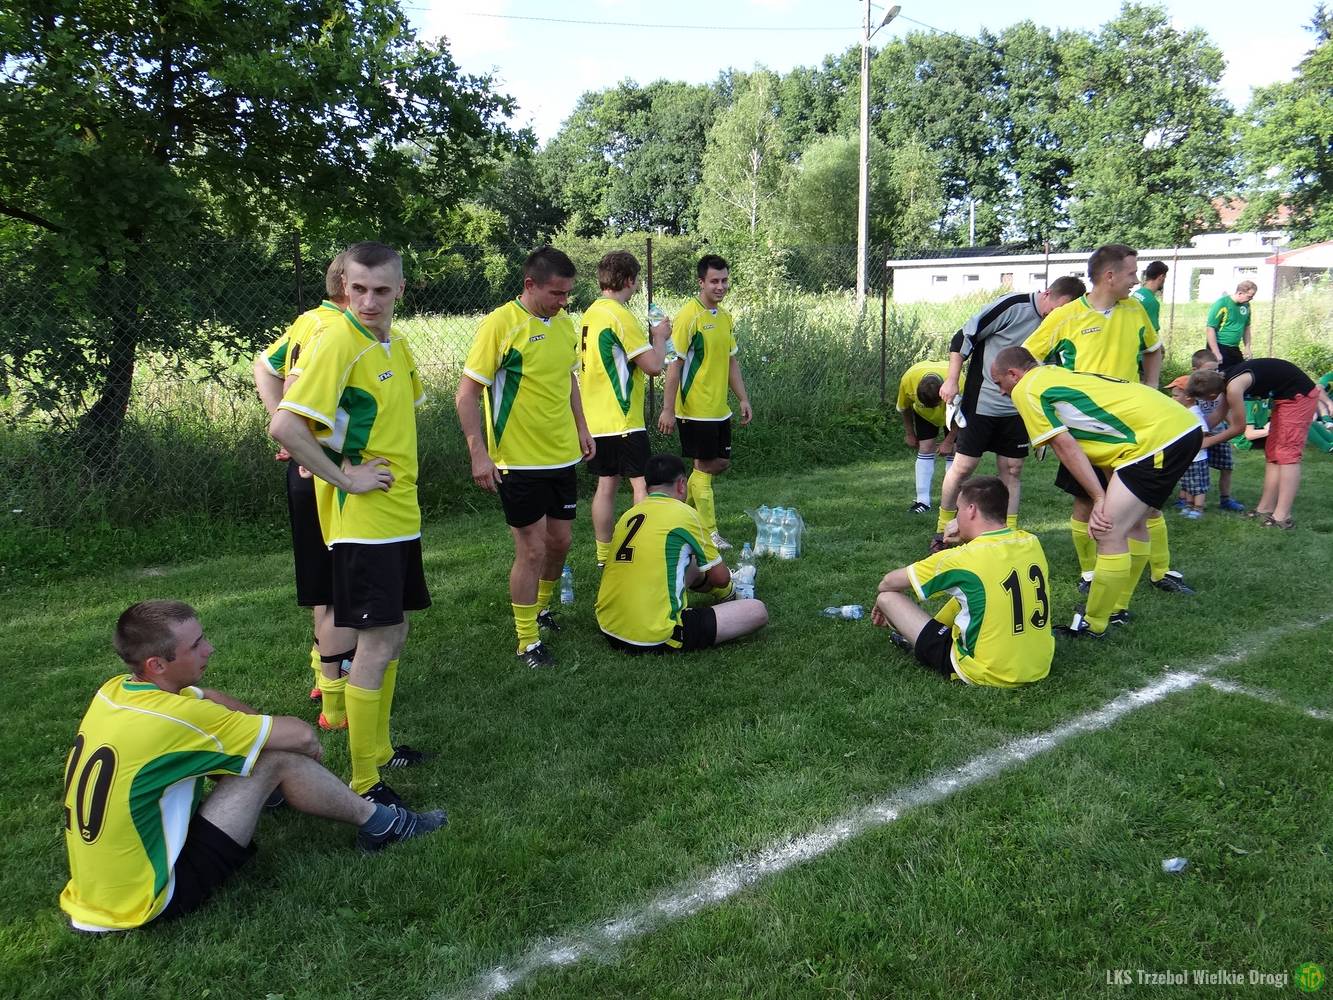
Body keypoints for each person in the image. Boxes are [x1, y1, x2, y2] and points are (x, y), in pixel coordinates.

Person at [59, 601, 446, 932]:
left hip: (96, 896)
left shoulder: (114, 691)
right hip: (149, 901)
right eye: (196, 645)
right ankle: (386, 825)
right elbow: (302, 737)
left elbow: (206, 697)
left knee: (236, 746)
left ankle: (273, 795)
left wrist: (251, 733)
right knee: (277, 758)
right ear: (157, 664)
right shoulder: (179, 719)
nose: (209, 649)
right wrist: (282, 747)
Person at [270, 241, 433, 807]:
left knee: (395, 632)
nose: (368, 301)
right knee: (377, 640)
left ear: (400, 290)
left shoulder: (394, 343)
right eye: (358, 289)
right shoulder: (338, 339)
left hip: (399, 514)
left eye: (381, 290)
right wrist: (346, 478)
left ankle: (380, 749)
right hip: (363, 522)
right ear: (344, 287)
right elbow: (286, 427)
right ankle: (366, 780)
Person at [993, 347, 1202, 638]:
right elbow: (1104, 438)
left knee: (1109, 530)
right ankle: (1117, 609)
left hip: (1156, 439)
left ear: (1013, 374)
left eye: (999, 383)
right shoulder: (1052, 375)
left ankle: (1094, 623)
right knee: (1134, 524)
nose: (1002, 392)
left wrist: (1099, 498)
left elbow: (1065, 446)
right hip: (1175, 428)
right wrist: (1105, 490)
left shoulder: (1025, 389)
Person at [1022, 244, 1192, 598]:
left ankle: (1160, 571)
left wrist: (1150, 387)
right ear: (1110, 276)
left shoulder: (1136, 309)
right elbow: (1025, 362)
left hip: (1135, 427)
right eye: (1131, 273)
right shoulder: (1066, 316)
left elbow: (1154, 350)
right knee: (1087, 502)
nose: (1137, 280)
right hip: (1089, 432)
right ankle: (1089, 573)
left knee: (1147, 505)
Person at [456, 246, 595, 668]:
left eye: (568, 293)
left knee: (561, 543)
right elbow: (466, 394)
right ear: (530, 285)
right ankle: (527, 641)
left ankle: (543, 608)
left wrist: (582, 427)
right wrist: (478, 453)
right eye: (556, 293)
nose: (563, 301)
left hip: (562, 456)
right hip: (518, 461)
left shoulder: (564, 323)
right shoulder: (501, 324)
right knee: (532, 551)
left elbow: (568, 378)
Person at [252, 253, 358, 725]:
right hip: (324, 473)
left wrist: (283, 424)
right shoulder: (333, 330)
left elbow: (264, 366)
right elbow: (291, 381)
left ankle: (323, 673)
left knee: (323, 582)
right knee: (340, 586)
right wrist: (294, 435)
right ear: (349, 285)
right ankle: (336, 696)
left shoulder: (308, 320)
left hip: (308, 468)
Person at [933, 276, 1086, 546]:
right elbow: (963, 337)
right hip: (982, 402)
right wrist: (952, 379)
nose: (1057, 315)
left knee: (1013, 469)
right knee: (964, 466)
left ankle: (1007, 535)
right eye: (1057, 308)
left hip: (1019, 406)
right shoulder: (1013, 306)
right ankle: (944, 530)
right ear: (1047, 294)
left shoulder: (1061, 323)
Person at [873, 476, 1052, 687]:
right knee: (976, 591)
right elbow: (987, 561)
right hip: (1039, 665)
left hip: (987, 671)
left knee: (887, 598)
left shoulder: (963, 558)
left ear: (971, 510)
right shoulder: (1031, 541)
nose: (955, 518)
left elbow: (888, 582)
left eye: (958, 510)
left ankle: (914, 639)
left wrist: (881, 606)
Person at [595, 453, 768, 652]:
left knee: (688, 561)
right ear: (682, 484)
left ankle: (728, 593)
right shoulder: (685, 513)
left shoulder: (629, 515)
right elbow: (720, 578)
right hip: (655, 636)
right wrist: (724, 581)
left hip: (609, 626)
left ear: (647, 487)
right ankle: (732, 592)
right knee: (757, 610)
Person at [579, 250, 673, 567]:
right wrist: (659, 336)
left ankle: (604, 557)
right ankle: (639, 551)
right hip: (623, 420)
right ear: (630, 280)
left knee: (606, 485)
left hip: (595, 419)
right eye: (637, 281)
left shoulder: (591, 313)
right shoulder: (620, 315)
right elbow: (654, 366)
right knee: (641, 485)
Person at [657, 254, 754, 551]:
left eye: (724, 280)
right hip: (695, 409)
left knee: (719, 463)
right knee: (703, 467)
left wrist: (742, 398)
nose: (720, 286)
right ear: (701, 282)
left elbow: (731, 361)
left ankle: (674, 515)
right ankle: (709, 533)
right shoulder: (689, 317)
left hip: (718, 409)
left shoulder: (724, 317)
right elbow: (674, 365)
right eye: (714, 281)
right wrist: (668, 409)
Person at [1187, 359, 1333, 529]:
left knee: (1287, 455)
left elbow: (1239, 428)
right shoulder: (1221, 380)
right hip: (1284, 398)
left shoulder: (1233, 387)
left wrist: (1205, 443)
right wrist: (1193, 436)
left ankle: (1282, 517)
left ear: (1212, 395)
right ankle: (1265, 508)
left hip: (1299, 397)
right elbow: (1217, 415)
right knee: (1273, 453)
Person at [1184, 348, 1245, 511]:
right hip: (1199, 436)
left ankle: (1225, 499)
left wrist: (1233, 427)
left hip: (1218, 432)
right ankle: (1186, 499)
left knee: (1227, 466)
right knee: (1191, 467)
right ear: (1195, 370)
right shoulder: (1192, 389)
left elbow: (1223, 410)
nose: (1215, 374)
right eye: (1210, 370)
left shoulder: (1219, 388)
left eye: (1216, 370)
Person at [895, 361, 956, 514]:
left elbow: (964, 414)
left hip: (953, 410)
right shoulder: (908, 381)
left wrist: (949, 441)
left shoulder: (957, 382)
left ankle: (953, 501)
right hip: (922, 414)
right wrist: (910, 433)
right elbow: (904, 407)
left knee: (954, 450)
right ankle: (922, 502)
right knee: (926, 447)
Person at [1165, 377, 1212, 520]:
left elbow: (1204, 432)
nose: (1172, 398)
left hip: (1197, 458)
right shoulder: (1185, 411)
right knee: (1188, 483)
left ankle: (1198, 508)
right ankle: (1189, 505)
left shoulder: (1194, 413)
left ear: (1188, 397)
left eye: (1175, 395)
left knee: (1198, 485)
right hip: (1188, 457)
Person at [1205, 280, 1257, 370]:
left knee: (1241, 372)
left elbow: (1246, 327)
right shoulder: (1222, 303)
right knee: (1219, 376)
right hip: (1220, 346)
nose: (1251, 299)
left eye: (1252, 297)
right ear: (1240, 293)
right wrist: (1216, 352)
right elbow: (1210, 328)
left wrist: (1247, 347)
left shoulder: (1246, 306)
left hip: (1234, 347)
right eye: (1249, 296)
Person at [1132, 260, 1168, 336]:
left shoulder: (1136, 293)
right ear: (1161, 277)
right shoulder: (1152, 302)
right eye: (1165, 277)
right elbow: (1152, 333)